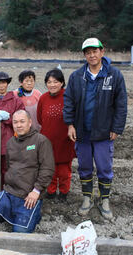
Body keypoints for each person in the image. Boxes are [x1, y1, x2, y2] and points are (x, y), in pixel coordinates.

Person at [63, 38, 127, 219]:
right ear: (85, 55)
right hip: (82, 131)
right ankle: (87, 198)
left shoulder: (114, 75)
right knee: (84, 166)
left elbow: (121, 104)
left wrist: (116, 127)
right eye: (88, 52)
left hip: (104, 131)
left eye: (95, 51)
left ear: (102, 51)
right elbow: (69, 102)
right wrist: (70, 124)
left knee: (104, 166)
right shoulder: (77, 76)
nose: (92, 55)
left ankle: (104, 200)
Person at [0, 110, 55, 233]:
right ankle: (15, 213)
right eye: (15, 122)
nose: (19, 125)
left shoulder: (41, 141)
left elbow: (48, 169)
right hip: (10, 191)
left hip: (29, 194)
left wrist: (37, 190)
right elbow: (9, 165)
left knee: (20, 231)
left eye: (22, 121)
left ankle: (34, 214)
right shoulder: (11, 143)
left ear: (30, 122)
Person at [37, 69, 75, 201]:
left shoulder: (68, 97)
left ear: (62, 83)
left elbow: (73, 117)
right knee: (49, 168)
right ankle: (51, 191)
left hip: (65, 140)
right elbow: (40, 118)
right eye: (49, 82)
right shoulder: (43, 98)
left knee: (64, 170)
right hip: (48, 140)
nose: (52, 84)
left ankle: (64, 192)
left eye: (56, 81)